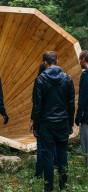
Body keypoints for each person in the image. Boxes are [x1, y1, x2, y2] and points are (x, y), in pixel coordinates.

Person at [32, 51, 75, 191]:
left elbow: (37, 106)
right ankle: (63, 186)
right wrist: (70, 123)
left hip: (46, 123)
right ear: (57, 61)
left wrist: (36, 124)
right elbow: (71, 104)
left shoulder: (40, 80)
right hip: (62, 122)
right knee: (62, 154)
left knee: (47, 155)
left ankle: (48, 187)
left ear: (44, 63)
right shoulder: (68, 79)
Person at [29, 63, 57, 178]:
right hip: (56, 117)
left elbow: (36, 104)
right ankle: (55, 167)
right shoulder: (60, 79)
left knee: (41, 144)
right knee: (54, 143)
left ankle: (39, 171)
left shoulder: (39, 81)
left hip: (42, 118)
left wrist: (33, 120)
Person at [75, 50, 88, 167]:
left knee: (86, 145)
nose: (79, 61)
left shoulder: (85, 75)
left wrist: (78, 117)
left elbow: (83, 98)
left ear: (83, 59)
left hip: (87, 118)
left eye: (80, 59)